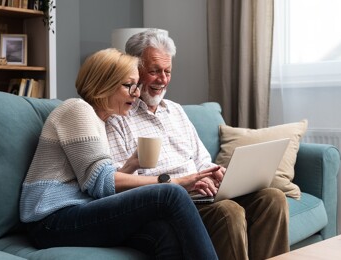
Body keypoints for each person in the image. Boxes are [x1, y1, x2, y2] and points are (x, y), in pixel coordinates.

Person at [106, 29, 290, 260]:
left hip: (202, 193)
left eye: (167, 71)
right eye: (154, 71)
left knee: (272, 198)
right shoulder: (119, 117)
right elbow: (119, 183)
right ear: (134, 69)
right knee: (228, 212)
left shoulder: (176, 111)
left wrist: (215, 173)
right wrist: (185, 184)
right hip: (170, 202)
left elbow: (202, 160)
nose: (162, 79)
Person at [19, 48, 219, 260]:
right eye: (128, 85)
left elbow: (102, 187)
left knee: (163, 233)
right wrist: (175, 181)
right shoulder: (77, 110)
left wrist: (132, 164)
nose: (136, 93)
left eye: (136, 85)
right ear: (103, 84)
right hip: (50, 220)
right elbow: (101, 181)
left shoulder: (100, 122)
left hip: (79, 211)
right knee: (171, 193)